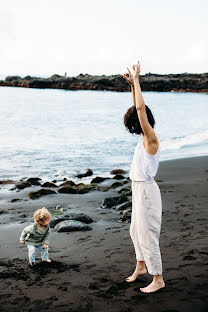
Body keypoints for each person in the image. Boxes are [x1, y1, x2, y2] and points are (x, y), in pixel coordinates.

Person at [122, 61, 165, 293]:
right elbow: (138, 111)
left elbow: (141, 111)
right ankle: (141, 266)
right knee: (135, 231)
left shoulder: (151, 139)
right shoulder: (143, 137)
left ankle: (158, 278)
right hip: (138, 189)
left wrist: (137, 80)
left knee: (148, 236)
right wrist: (131, 85)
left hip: (147, 191)